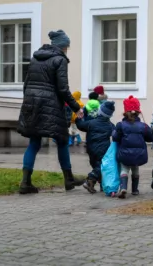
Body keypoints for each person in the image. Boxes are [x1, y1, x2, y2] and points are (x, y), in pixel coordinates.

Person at [17, 29, 85, 194]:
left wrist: (28, 101)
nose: (67, 50)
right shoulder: (59, 60)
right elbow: (63, 88)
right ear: (63, 46)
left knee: (34, 142)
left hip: (32, 104)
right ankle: (68, 178)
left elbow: (26, 85)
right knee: (62, 140)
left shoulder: (35, 58)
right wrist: (77, 107)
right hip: (51, 106)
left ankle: (25, 182)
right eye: (67, 47)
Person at [112, 95, 153, 199]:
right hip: (139, 154)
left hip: (124, 153)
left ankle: (123, 188)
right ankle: (135, 190)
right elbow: (150, 137)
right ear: (138, 112)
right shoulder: (143, 126)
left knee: (124, 169)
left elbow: (116, 138)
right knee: (135, 169)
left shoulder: (121, 125)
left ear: (125, 112)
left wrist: (114, 133)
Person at [76, 101, 115, 194]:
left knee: (95, 165)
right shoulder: (110, 126)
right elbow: (116, 132)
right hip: (103, 149)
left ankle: (99, 184)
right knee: (101, 167)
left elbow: (80, 126)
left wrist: (80, 117)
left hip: (90, 149)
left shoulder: (91, 123)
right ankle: (90, 179)